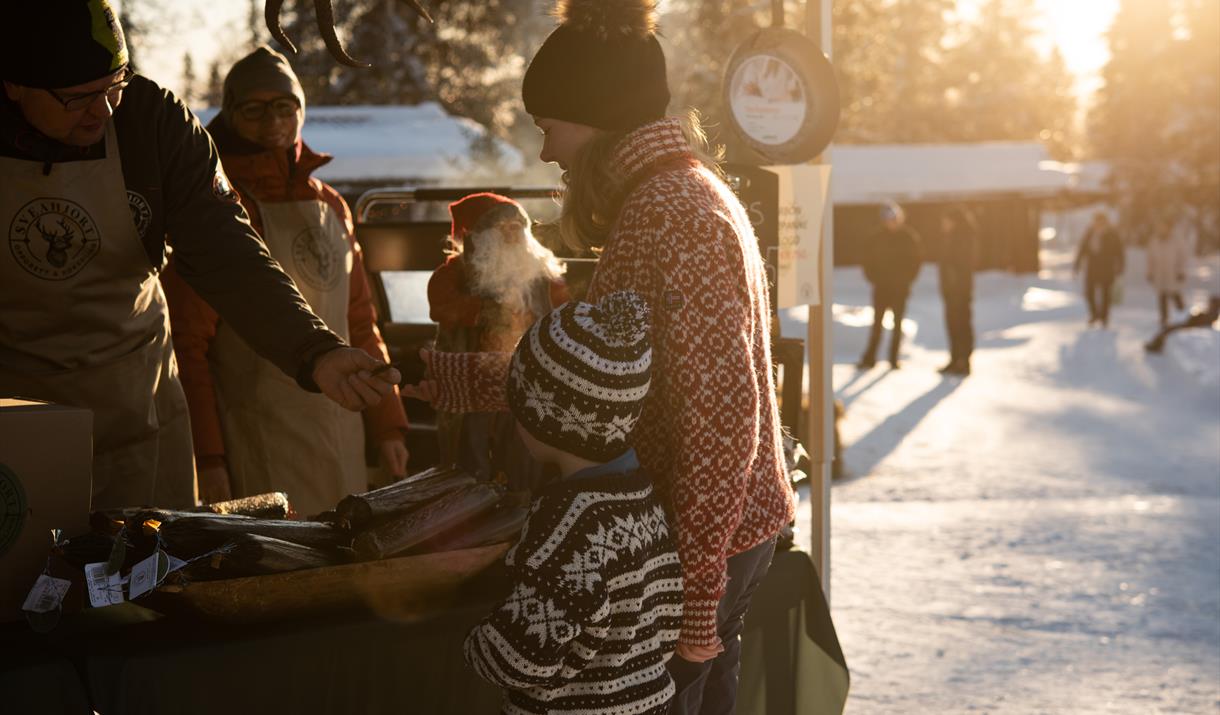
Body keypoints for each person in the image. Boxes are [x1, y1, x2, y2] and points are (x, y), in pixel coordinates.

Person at [412, 2, 796, 711]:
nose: (546, 151)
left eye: (548, 127)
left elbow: (721, 421)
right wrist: (434, 377)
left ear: (594, 117)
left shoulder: (674, 214)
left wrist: (695, 612)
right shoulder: (671, 196)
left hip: (697, 548)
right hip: (702, 538)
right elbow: (586, 382)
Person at [0, 1, 400, 511]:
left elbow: (227, 251)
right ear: (13, 84)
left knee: (147, 574)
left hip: (138, 399)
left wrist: (314, 350)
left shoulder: (152, 122)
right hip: (14, 411)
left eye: (114, 86)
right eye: (77, 98)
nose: (101, 112)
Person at [160, 47, 408, 515]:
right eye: (252, 109)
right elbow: (186, 346)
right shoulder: (216, 210)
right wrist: (208, 457)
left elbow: (359, 320)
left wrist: (388, 426)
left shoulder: (331, 204)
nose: (271, 120)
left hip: (341, 427)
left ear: (301, 110)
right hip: (256, 436)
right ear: (230, 115)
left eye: (284, 106)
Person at [464, 291, 684, 715]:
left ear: (545, 418)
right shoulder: (643, 500)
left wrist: (476, 644)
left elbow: (519, 656)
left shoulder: (569, 524)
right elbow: (668, 617)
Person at [427, 192, 567, 489]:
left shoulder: (542, 276)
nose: (514, 233)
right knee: (469, 459)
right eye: (504, 227)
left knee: (525, 461)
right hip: (471, 383)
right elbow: (440, 304)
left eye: (519, 226)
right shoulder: (454, 275)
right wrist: (485, 310)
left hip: (528, 386)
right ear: (479, 238)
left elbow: (564, 313)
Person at [858, 201, 923, 369]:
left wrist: (906, 280)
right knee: (877, 324)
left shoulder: (908, 237)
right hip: (881, 288)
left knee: (897, 324)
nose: (891, 223)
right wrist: (874, 278)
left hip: (900, 289)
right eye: (887, 219)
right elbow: (867, 261)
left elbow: (916, 262)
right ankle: (870, 358)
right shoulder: (876, 238)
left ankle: (893, 359)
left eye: (893, 219)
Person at [937, 206, 978, 376]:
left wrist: (956, 287)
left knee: (961, 325)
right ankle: (955, 359)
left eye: (945, 221)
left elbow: (960, 267)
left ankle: (964, 360)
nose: (943, 225)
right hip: (951, 292)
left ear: (953, 221)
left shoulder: (963, 239)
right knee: (953, 325)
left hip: (960, 292)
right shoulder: (952, 238)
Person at [1073, 211, 1125, 328]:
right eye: (1096, 222)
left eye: (1100, 222)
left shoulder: (1112, 234)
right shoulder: (1090, 233)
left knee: (1106, 293)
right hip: (1092, 268)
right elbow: (1082, 249)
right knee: (1089, 292)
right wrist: (1077, 264)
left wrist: (1120, 266)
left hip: (1107, 268)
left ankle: (1104, 317)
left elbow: (1119, 251)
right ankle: (1094, 314)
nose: (1097, 224)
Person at [1145, 224, 1189, 329]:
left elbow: (1182, 256)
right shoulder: (1154, 241)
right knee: (1162, 295)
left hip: (1173, 272)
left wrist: (1181, 271)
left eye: (1164, 227)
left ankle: (1183, 315)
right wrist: (1150, 272)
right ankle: (1164, 318)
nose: (1162, 229)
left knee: (1174, 294)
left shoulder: (1176, 241)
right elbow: (1150, 258)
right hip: (1159, 273)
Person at [1144, 295, 1220, 353]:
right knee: (1168, 328)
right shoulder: (1212, 313)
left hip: (1189, 325)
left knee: (1168, 329)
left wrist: (1197, 316)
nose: (1209, 303)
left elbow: (1200, 322)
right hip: (1189, 324)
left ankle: (1156, 346)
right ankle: (1156, 345)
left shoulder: (1212, 314)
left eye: (1211, 302)